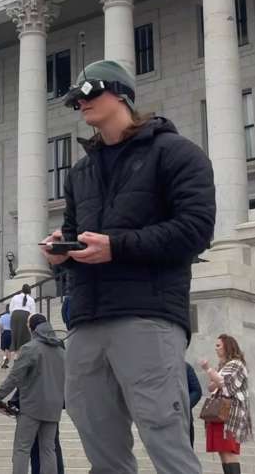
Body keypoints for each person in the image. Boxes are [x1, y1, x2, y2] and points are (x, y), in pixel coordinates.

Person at [40, 59, 215, 474]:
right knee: (95, 435)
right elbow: (73, 232)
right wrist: (58, 255)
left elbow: (196, 230)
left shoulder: (175, 153)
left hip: (147, 315)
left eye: (88, 94)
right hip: (86, 319)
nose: (80, 104)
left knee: (164, 435)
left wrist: (117, 247)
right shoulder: (80, 171)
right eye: (75, 100)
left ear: (119, 93)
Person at [0, 314, 66, 474]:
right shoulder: (61, 351)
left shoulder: (30, 348)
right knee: (49, 450)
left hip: (31, 407)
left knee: (22, 449)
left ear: (32, 328)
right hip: (53, 408)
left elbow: (14, 377)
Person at [199, 334, 253, 474]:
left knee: (229, 452)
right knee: (223, 453)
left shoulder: (237, 364)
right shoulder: (224, 366)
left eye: (218, 345)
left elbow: (225, 385)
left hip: (229, 414)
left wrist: (208, 369)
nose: (216, 348)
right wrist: (214, 375)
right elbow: (212, 387)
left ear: (227, 347)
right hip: (220, 412)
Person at [7, 285, 37, 352]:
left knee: (15, 334)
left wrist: (12, 316)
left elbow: (11, 308)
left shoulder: (15, 297)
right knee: (25, 334)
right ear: (29, 291)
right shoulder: (31, 299)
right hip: (25, 315)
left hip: (15, 315)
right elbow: (33, 313)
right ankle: (23, 349)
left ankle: (15, 351)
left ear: (22, 290)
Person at [186, 363, 203, 447]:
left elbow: (196, 391)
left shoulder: (185, 367)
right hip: (161, 421)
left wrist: (183, 406)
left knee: (186, 455)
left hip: (183, 419)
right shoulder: (157, 369)